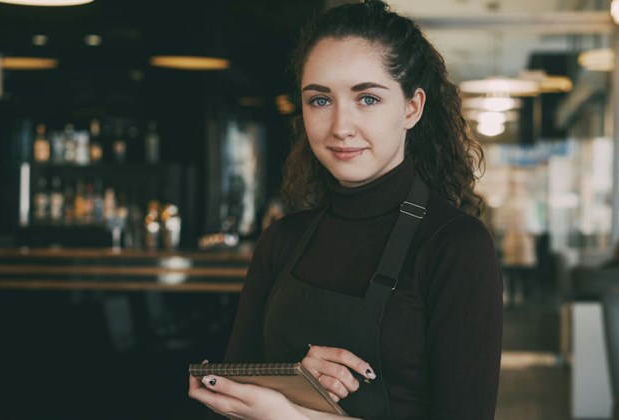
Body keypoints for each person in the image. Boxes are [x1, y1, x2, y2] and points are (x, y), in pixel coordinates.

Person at [188, 2, 503, 419]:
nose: (340, 126)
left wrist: (295, 416)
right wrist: (294, 379)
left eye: (367, 98)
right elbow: (227, 400)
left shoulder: (455, 245)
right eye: (320, 100)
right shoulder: (283, 240)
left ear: (412, 107)